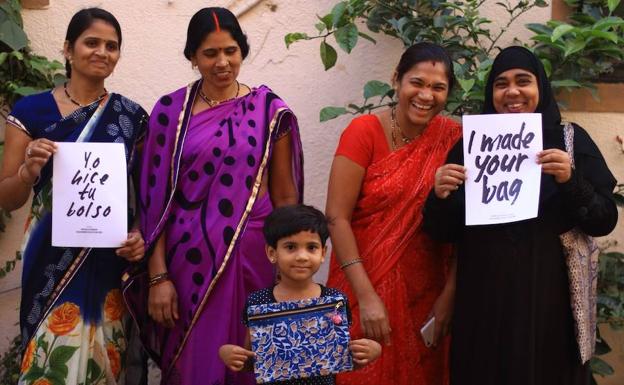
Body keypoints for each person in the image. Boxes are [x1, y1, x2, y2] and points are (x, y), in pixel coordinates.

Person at [122, 7, 304, 385]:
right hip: (187, 265)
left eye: (231, 51)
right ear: (192, 57)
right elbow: (154, 204)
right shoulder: (170, 113)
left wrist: (293, 271)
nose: (223, 63)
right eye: (210, 53)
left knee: (254, 361)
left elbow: (286, 198)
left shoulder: (270, 110)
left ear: (242, 51)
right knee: (194, 365)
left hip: (255, 257)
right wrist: (158, 278)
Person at [423, 46, 618, 385]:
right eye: (501, 84)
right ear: (491, 93)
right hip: (484, 304)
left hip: (551, 305)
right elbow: (441, 231)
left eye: (522, 81)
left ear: (540, 87)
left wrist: (571, 181)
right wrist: (439, 195)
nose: (512, 92)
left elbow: (603, 221)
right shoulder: (472, 146)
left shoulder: (570, 141)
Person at [0, 8, 147, 385]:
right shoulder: (31, 111)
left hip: (108, 260)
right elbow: (7, 198)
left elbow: (147, 194)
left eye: (112, 46)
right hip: (50, 259)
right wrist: (28, 170)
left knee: (105, 358)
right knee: (49, 362)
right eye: (91, 42)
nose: (102, 52)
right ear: (68, 49)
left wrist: (140, 234)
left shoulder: (131, 117)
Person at [325, 42, 461, 385]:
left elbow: (467, 227)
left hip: (429, 291)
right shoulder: (364, 132)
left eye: (438, 87)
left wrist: (449, 297)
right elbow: (336, 217)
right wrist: (367, 297)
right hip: (363, 283)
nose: (426, 95)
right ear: (396, 80)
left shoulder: (454, 139)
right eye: (417, 82)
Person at [219, 204, 382, 385]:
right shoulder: (259, 303)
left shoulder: (335, 301)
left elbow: (340, 359)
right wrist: (229, 354)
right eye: (290, 247)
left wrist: (371, 351)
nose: (302, 256)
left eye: (311, 247)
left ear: (323, 253)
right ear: (272, 253)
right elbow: (253, 362)